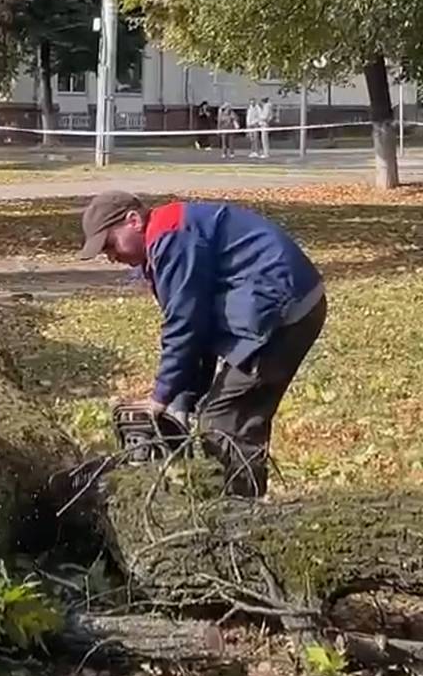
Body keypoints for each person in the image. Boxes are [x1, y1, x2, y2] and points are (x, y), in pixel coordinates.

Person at [78, 191, 326, 496]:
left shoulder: (172, 238)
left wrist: (161, 397)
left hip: (283, 309)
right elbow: (199, 328)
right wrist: (180, 403)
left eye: (110, 245)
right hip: (276, 302)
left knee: (225, 419)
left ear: (133, 221)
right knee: (225, 414)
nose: (112, 257)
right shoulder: (166, 239)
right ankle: (233, 500)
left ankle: (239, 515)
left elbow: (185, 325)